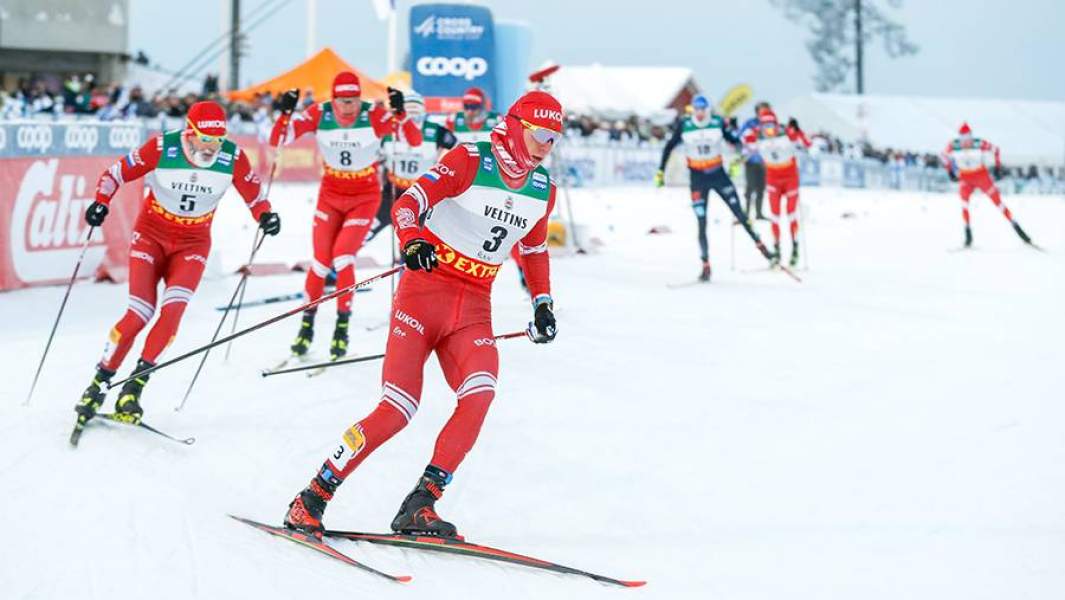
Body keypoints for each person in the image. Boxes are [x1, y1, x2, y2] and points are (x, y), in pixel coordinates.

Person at [282, 90, 564, 540]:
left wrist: (542, 301)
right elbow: (407, 204)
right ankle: (312, 496)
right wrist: (413, 240)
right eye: (539, 134)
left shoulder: (541, 188)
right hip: (424, 293)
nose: (545, 146)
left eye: (554, 138)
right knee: (398, 407)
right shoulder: (471, 159)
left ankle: (422, 502)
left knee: (480, 393)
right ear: (515, 126)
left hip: (474, 304)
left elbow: (532, 247)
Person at [74, 101, 280, 427]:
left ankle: (134, 387)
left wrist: (266, 215)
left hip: (193, 244)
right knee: (139, 313)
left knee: (172, 314)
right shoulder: (161, 147)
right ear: (189, 132)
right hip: (151, 236)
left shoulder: (232, 156)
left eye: (218, 139)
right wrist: (100, 203)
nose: (212, 146)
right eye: (205, 139)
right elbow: (115, 174)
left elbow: (254, 195)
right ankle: (98, 382)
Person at [270, 72, 421, 361]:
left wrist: (400, 113)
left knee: (343, 256)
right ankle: (307, 324)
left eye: (353, 101)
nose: (348, 108)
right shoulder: (319, 112)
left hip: (364, 197)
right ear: (334, 99)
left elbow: (412, 140)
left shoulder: (373, 114)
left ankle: (341, 327)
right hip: (330, 194)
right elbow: (277, 139)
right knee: (319, 262)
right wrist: (285, 113)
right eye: (342, 102)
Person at [655, 94, 772, 281]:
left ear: (707, 110)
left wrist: (737, 160)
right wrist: (660, 171)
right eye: (696, 110)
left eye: (703, 110)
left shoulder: (717, 122)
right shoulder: (685, 124)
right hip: (697, 179)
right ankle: (705, 265)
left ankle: (765, 251)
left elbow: (736, 143)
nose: (700, 114)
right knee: (701, 222)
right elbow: (668, 147)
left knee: (740, 214)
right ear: (693, 110)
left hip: (719, 175)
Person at [368, 91, 458, 242]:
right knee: (365, 232)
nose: (413, 116)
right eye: (409, 111)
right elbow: (374, 155)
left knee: (413, 240)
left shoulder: (435, 131)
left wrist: (446, 170)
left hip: (421, 193)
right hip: (393, 190)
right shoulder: (390, 130)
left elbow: (459, 148)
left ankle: (406, 261)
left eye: (416, 111)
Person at [942, 123, 1034, 248]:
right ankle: (968, 234)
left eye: (968, 137)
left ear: (971, 136)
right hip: (965, 177)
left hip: (981, 175)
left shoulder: (979, 143)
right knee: (964, 205)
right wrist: (950, 171)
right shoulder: (954, 145)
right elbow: (944, 156)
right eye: (963, 138)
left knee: (998, 203)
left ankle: (1018, 229)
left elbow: (995, 150)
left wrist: (997, 167)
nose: (966, 141)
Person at [745, 107, 811, 267]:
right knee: (774, 216)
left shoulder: (787, 134)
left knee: (790, 214)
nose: (769, 130)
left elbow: (807, 144)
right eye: (765, 127)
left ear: (776, 125)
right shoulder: (758, 137)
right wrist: (751, 129)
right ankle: (777, 250)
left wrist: (797, 129)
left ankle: (795, 248)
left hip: (790, 178)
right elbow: (744, 141)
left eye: (771, 126)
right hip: (773, 179)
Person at [739, 101, 770, 220]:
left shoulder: (770, 124)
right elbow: (741, 135)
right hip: (750, 159)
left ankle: (759, 213)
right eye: (762, 110)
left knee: (761, 188)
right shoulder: (750, 123)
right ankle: (746, 213)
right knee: (750, 187)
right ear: (757, 111)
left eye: (766, 110)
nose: (764, 112)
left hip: (764, 161)